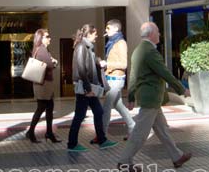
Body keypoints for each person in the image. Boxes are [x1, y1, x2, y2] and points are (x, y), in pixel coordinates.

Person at [117, 22, 191, 172]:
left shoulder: (138, 50)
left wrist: (131, 96)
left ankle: (177, 157)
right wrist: (182, 89)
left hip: (150, 98)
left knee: (162, 129)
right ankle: (124, 161)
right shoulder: (149, 51)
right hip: (151, 99)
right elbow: (165, 73)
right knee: (140, 133)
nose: (159, 34)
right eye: (158, 32)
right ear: (151, 34)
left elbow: (133, 75)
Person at [67, 24, 118, 152]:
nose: (96, 35)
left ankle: (102, 140)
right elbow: (81, 68)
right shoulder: (81, 47)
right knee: (80, 115)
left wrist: (98, 61)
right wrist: (88, 88)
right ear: (89, 34)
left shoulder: (88, 48)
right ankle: (72, 144)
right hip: (85, 88)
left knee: (98, 112)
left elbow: (89, 62)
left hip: (88, 87)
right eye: (95, 33)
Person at [99, 19, 135, 141]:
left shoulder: (120, 43)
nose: (106, 31)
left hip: (116, 79)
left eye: (108, 28)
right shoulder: (112, 43)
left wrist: (107, 63)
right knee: (118, 105)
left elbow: (124, 64)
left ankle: (102, 135)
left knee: (106, 107)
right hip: (111, 79)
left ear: (115, 29)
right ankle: (132, 126)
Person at [25, 29, 61, 144]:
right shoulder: (42, 50)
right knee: (41, 108)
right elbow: (49, 64)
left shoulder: (40, 49)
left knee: (49, 108)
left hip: (43, 84)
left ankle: (49, 133)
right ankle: (31, 132)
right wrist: (54, 62)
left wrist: (52, 61)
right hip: (43, 85)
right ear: (41, 38)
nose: (49, 38)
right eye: (47, 36)